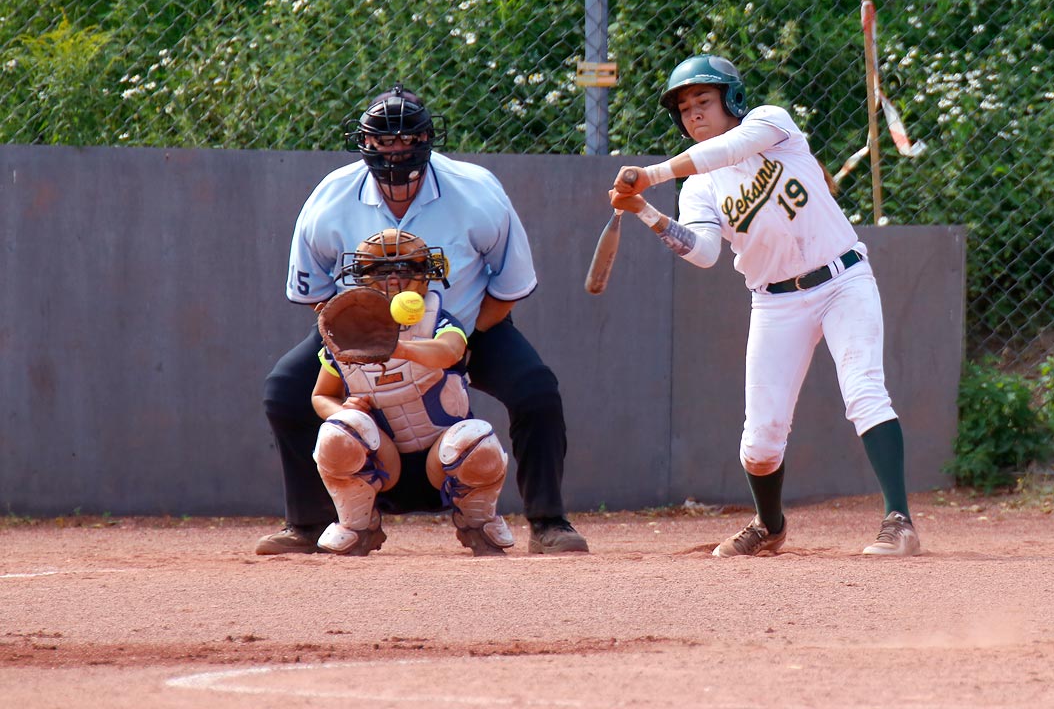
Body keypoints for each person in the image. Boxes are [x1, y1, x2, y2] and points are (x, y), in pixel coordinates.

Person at [608, 54, 919, 558]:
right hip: (776, 303)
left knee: (864, 393)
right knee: (760, 440)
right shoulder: (699, 187)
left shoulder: (770, 123)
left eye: (703, 101)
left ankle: (899, 520)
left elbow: (732, 147)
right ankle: (769, 525)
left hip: (842, 279)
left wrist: (652, 175)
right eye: (683, 108)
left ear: (731, 99)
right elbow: (706, 253)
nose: (693, 114)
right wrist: (645, 211)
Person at [258, 84, 588, 556]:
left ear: (427, 139)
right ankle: (308, 524)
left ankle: (548, 521)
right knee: (284, 391)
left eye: (406, 140)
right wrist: (353, 343)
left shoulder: (475, 191)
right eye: (384, 141)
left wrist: (455, 347)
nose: (396, 152)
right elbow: (317, 294)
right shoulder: (330, 198)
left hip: (468, 327)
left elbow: (508, 287)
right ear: (365, 144)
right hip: (359, 333)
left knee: (536, 389)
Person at [311, 228, 512, 556]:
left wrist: (398, 348)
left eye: (405, 268)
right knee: (338, 432)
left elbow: (450, 352)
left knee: (477, 441)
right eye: (379, 270)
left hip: (443, 464)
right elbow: (321, 396)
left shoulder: (438, 322)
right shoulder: (346, 335)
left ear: (424, 274)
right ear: (361, 277)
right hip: (381, 468)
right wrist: (344, 410)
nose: (393, 279)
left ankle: (477, 522)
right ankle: (359, 525)